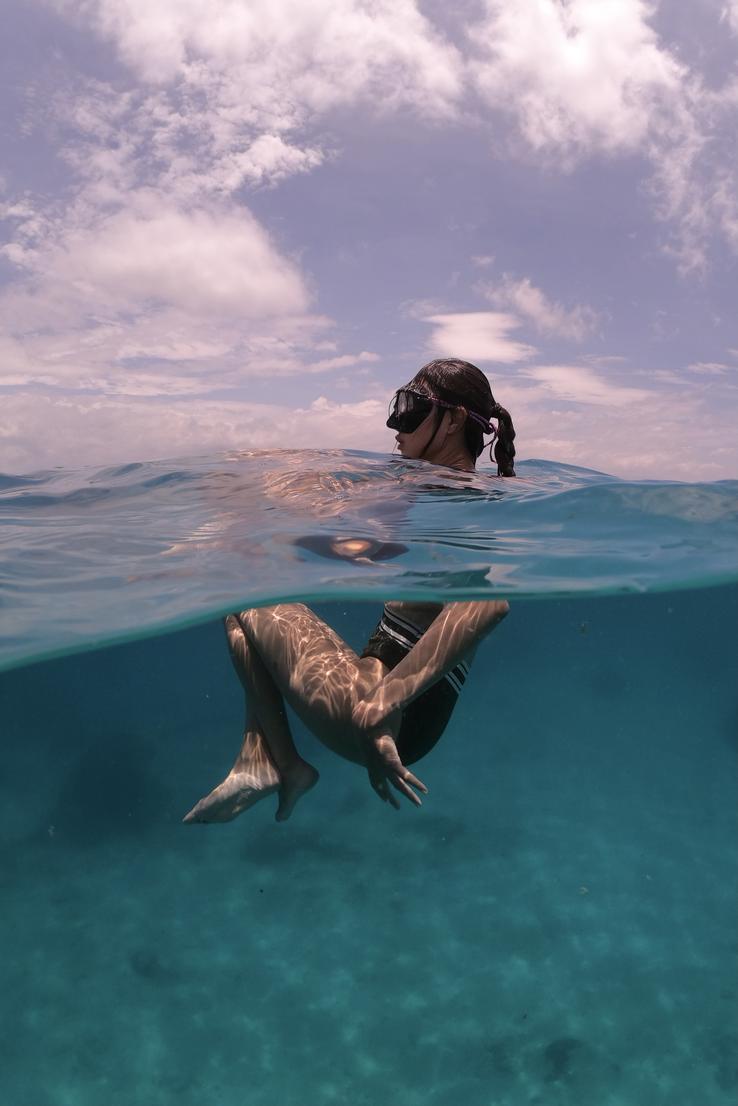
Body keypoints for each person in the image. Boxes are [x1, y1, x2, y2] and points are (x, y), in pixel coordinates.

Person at [184, 358, 516, 823]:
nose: (394, 425)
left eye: (410, 407)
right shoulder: (432, 492)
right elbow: (371, 550)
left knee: (248, 592)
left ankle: (274, 763)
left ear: (454, 420)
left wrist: (387, 699)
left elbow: (487, 607)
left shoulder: (459, 500)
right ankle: (267, 761)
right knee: (243, 620)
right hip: (396, 711)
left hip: (383, 710)